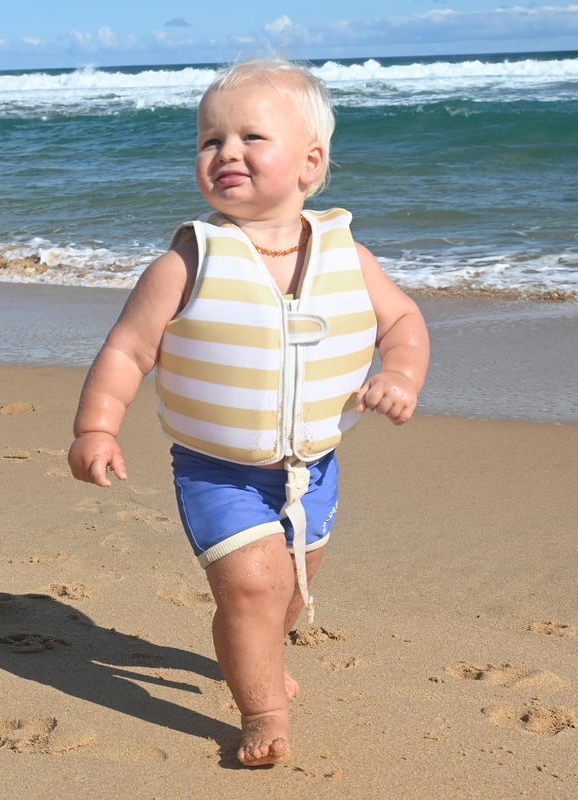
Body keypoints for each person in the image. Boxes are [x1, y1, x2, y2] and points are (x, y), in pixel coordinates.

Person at [68, 58, 430, 767]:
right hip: (217, 470)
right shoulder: (188, 259)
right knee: (252, 585)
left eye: (250, 138)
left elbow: (403, 323)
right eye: (209, 140)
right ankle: (263, 708)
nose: (225, 152)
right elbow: (127, 349)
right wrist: (97, 425)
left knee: (293, 584)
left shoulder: (347, 256)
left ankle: (256, 647)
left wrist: (402, 375)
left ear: (309, 162)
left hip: (313, 464)